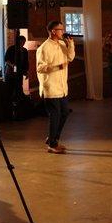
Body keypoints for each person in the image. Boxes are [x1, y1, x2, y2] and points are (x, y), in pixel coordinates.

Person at [36, 21, 75, 154]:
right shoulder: (44, 48)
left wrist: (71, 44)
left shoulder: (63, 44)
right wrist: (56, 67)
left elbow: (70, 57)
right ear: (53, 31)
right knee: (55, 115)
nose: (63, 32)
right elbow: (40, 68)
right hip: (51, 87)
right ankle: (52, 144)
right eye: (60, 29)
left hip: (62, 86)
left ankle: (53, 138)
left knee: (64, 112)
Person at [5, 35, 29, 117]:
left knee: (19, 90)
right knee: (9, 91)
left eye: (24, 42)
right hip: (10, 74)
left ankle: (19, 110)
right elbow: (6, 60)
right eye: (21, 42)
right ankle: (8, 111)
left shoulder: (25, 50)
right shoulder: (11, 49)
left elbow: (26, 62)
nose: (22, 43)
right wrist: (12, 65)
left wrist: (26, 72)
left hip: (19, 74)